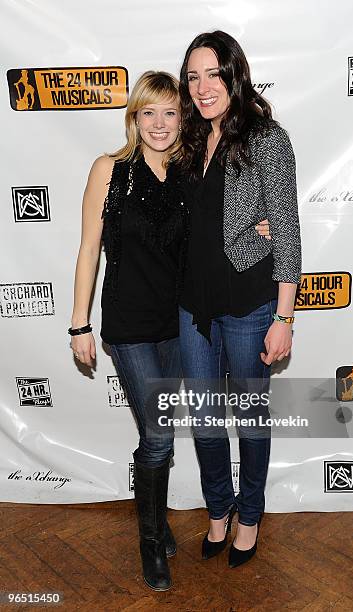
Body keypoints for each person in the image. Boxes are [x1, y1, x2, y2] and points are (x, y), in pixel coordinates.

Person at [178, 31, 302, 568]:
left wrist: (284, 317)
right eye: (193, 76)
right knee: (206, 422)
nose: (203, 87)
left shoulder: (265, 138)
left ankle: (250, 515)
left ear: (234, 75)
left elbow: (288, 231)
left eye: (213, 74)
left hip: (252, 309)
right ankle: (218, 510)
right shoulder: (184, 138)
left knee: (250, 421)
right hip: (193, 308)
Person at [69, 71, 187, 592]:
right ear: (133, 118)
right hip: (129, 326)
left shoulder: (192, 172)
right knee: (160, 437)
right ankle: (150, 541)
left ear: (182, 118)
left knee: (157, 435)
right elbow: (89, 249)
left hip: (182, 326)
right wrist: (79, 324)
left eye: (170, 112)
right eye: (149, 112)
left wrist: (258, 227)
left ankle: (156, 521)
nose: (160, 124)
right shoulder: (110, 170)